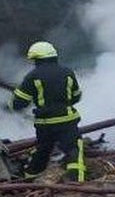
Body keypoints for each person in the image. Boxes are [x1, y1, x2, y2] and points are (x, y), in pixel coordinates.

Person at [7, 41, 86, 182]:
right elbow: (76, 96)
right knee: (73, 148)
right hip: (66, 120)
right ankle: (76, 180)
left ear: (37, 59)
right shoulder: (68, 72)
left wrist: (10, 106)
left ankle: (29, 178)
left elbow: (18, 103)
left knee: (42, 150)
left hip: (45, 123)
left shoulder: (32, 76)